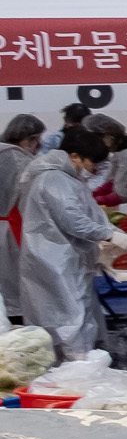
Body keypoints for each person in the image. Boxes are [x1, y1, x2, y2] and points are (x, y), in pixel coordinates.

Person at [17, 126, 113, 356]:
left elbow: (87, 214)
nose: (95, 169)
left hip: (58, 258)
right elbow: (74, 221)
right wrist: (109, 235)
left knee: (67, 319)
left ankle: (74, 371)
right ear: (74, 157)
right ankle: (77, 375)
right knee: (69, 321)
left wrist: (109, 230)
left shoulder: (63, 178)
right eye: (92, 162)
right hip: (56, 261)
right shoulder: (55, 179)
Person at [0, 113, 45, 314]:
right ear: (30, 139)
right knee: (15, 287)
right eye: (39, 140)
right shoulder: (22, 161)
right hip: (12, 228)